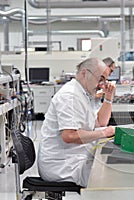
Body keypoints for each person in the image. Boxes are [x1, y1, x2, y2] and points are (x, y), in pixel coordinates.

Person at [37, 57, 116, 187]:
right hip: (62, 165)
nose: (102, 85)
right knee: (111, 178)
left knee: (110, 168)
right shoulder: (70, 96)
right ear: (85, 73)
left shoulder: (83, 94)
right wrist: (105, 133)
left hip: (73, 157)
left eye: (105, 80)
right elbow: (69, 136)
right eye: (100, 79)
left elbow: (100, 122)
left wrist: (108, 97)